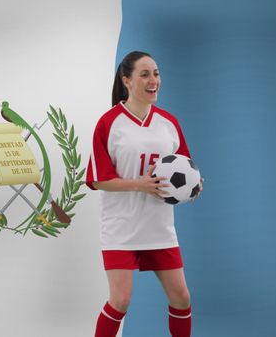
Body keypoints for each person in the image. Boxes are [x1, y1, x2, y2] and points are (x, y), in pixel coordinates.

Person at [86, 51, 202, 337]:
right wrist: (140, 184)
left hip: (159, 226)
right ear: (127, 80)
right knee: (121, 301)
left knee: (182, 298)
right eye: (145, 74)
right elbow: (98, 180)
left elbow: (186, 169)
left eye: (157, 74)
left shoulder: (169, 123)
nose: (154, 81)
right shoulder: (109, 123)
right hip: (121, 227)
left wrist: (194, 186)